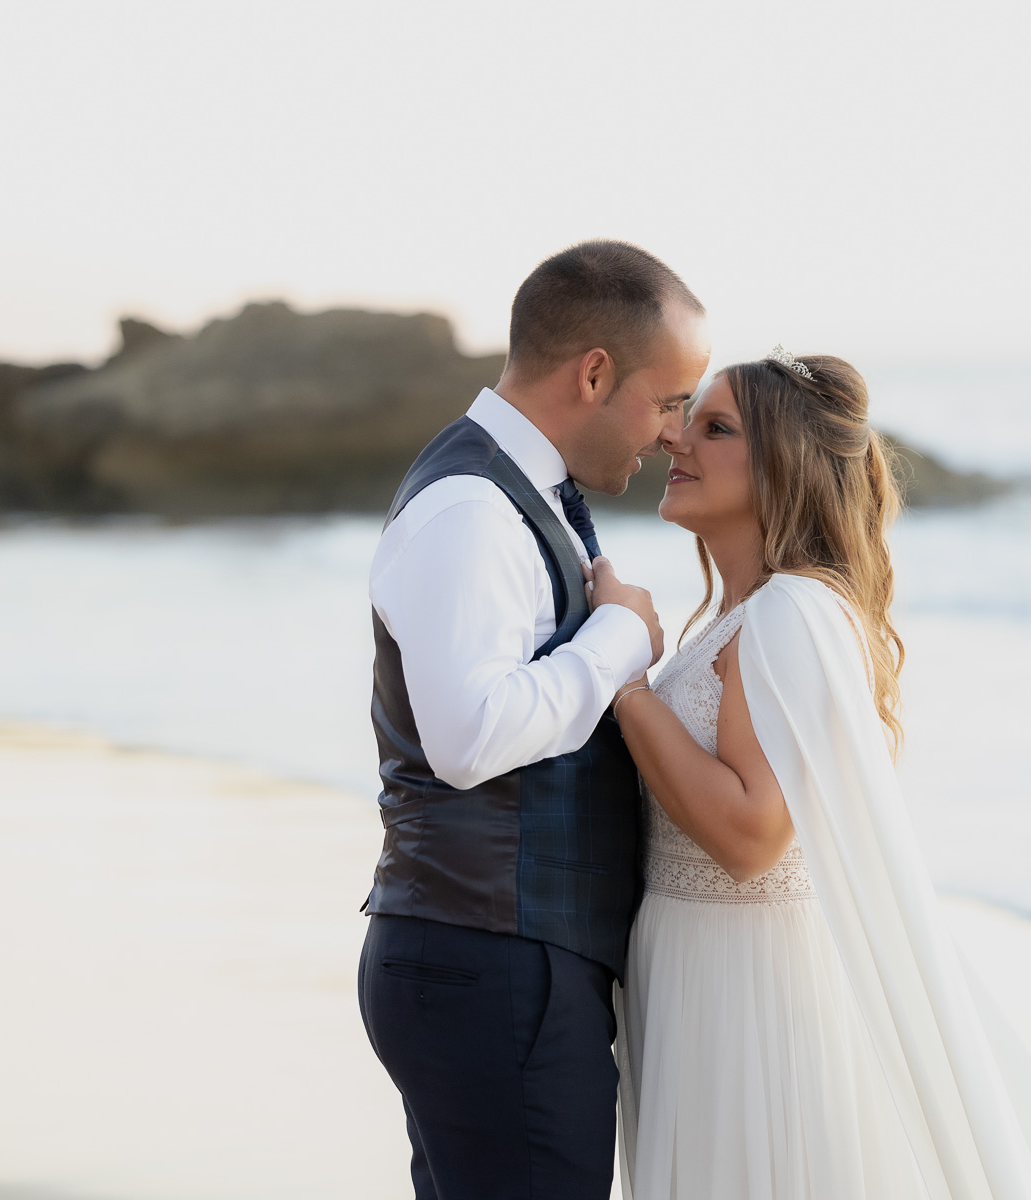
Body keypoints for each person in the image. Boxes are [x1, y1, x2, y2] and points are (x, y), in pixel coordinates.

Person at [612, 350, 1031, 1199]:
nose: (677, 440)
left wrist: (625, 683)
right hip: (693, 975)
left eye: (715, 427)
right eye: (685, 419)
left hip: (751, 999)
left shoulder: (789, 612)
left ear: (784, 464)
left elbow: (751, 836)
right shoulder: (735, 617)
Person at [358, 240, 709, 1200]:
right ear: (594, 373)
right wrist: (617, 641)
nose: (674, 433)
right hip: (491, 967)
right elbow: (468, 739)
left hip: (497, 962)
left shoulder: (514, 497)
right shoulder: (472, 507)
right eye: (670, 399)